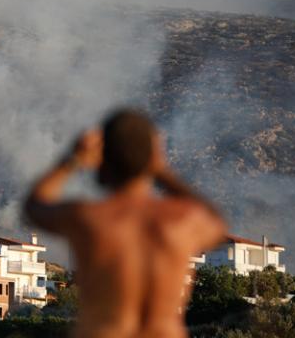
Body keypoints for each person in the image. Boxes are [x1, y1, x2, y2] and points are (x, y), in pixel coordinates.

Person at [25, 109, 226, 338]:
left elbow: (34, 205)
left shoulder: (89, 219)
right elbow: (216, 222)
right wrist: (160, 169)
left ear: (104, 161)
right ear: (152, 157)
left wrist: (72, 160)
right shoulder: (181, 222)